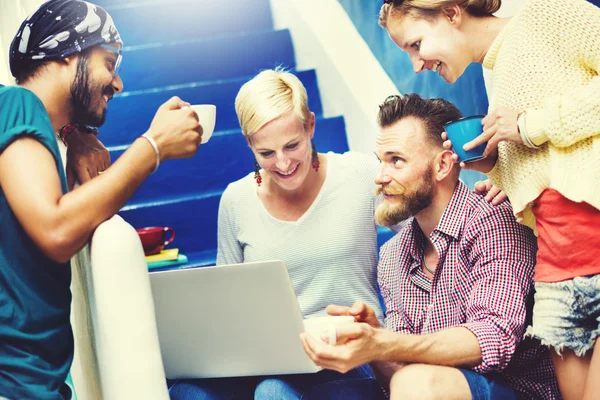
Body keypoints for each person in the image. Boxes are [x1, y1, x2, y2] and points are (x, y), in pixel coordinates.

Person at [380, 1, 600, 399]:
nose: (415, 64)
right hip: (559, 271)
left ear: (450, 13)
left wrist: (530, 126)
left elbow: (539, 129)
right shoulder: (492, 73)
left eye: (415, 44)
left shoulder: (550, 14)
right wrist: (496, 168)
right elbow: (552, 165)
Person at [0, 0, 205, 398]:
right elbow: (55, 229)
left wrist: (72, 132)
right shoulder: (16, 103)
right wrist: (154, 147)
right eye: (109, 63)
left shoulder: (37, 128)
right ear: (68, 53)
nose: (117, 83)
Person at [300, 93, 561, 400]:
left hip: (512, 391)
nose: (380, 177)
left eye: (396, 160)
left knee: (419, 383)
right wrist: (376, 345)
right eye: (379, 161)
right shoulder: (393, 255)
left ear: (441, 166)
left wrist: (385, 343)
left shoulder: (493, 222)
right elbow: (397, 380)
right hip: (425, 388)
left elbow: (493, 338)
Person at [169, 68, 388, 399]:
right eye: (266, 153)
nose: (283, 163)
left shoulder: (359, 174)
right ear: (248, 143)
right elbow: (228, 301)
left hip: (348, 351)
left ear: (310, 126)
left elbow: (427, 214)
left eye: (292, 145)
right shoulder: (236, 200)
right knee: (186, 391)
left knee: (272, 393)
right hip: (271, 357)